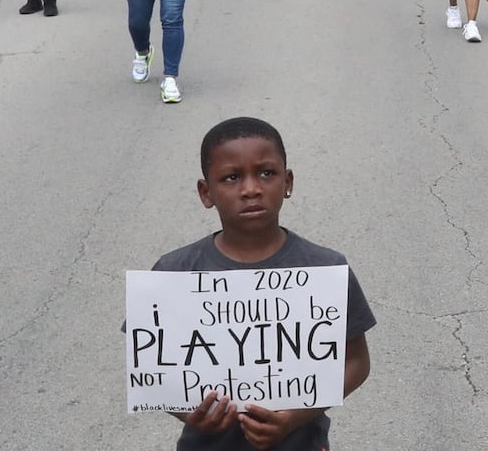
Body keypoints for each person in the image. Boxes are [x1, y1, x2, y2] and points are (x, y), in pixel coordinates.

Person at [145, 117, 373, 446]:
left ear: (288, 181)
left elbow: (356, 361)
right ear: (205, 192)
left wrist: (295, 415)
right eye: (231, 177)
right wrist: (188, 413)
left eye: (266, 173)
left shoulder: (324, 270)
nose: (251, 188)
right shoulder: (174, 273)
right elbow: (152, 371)